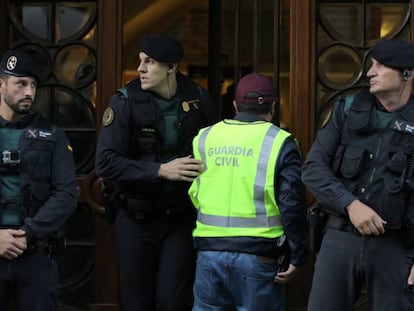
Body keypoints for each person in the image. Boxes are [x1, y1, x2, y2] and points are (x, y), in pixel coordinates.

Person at [95, 33, 217, 311]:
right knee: (137, 301)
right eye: (140, 61)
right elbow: (105, 162)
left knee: (174, 301)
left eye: (149, 62)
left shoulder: (197, 98)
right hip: (136, 217)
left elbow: (215, 148)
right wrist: (160, 170)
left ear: (172, 67)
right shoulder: (125, 101)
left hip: (180, 218)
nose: (140, 69)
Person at [302, 38, 414, 311]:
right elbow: (313, 168)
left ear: (407, 74)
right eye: (371, 64)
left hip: (396, 246)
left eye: (380, 65)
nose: (369, 72)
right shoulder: (347, 109)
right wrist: (350, 204)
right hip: (340, 238)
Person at [188, 72, 308, 311]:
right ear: (273, 107)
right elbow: (291, 203)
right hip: (259, 256)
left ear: (235, 105)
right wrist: (298, 253)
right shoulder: (281, 141)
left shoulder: (205, 137)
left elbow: (193, 191)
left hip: (210, 252)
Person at [0, 49, 77, 310]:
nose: (29, 92)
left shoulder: (52, 135)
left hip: (35, 254)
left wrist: (29, 233)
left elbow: (66, 194)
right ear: (1, 85)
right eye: (21, 83)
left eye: (33, 85)